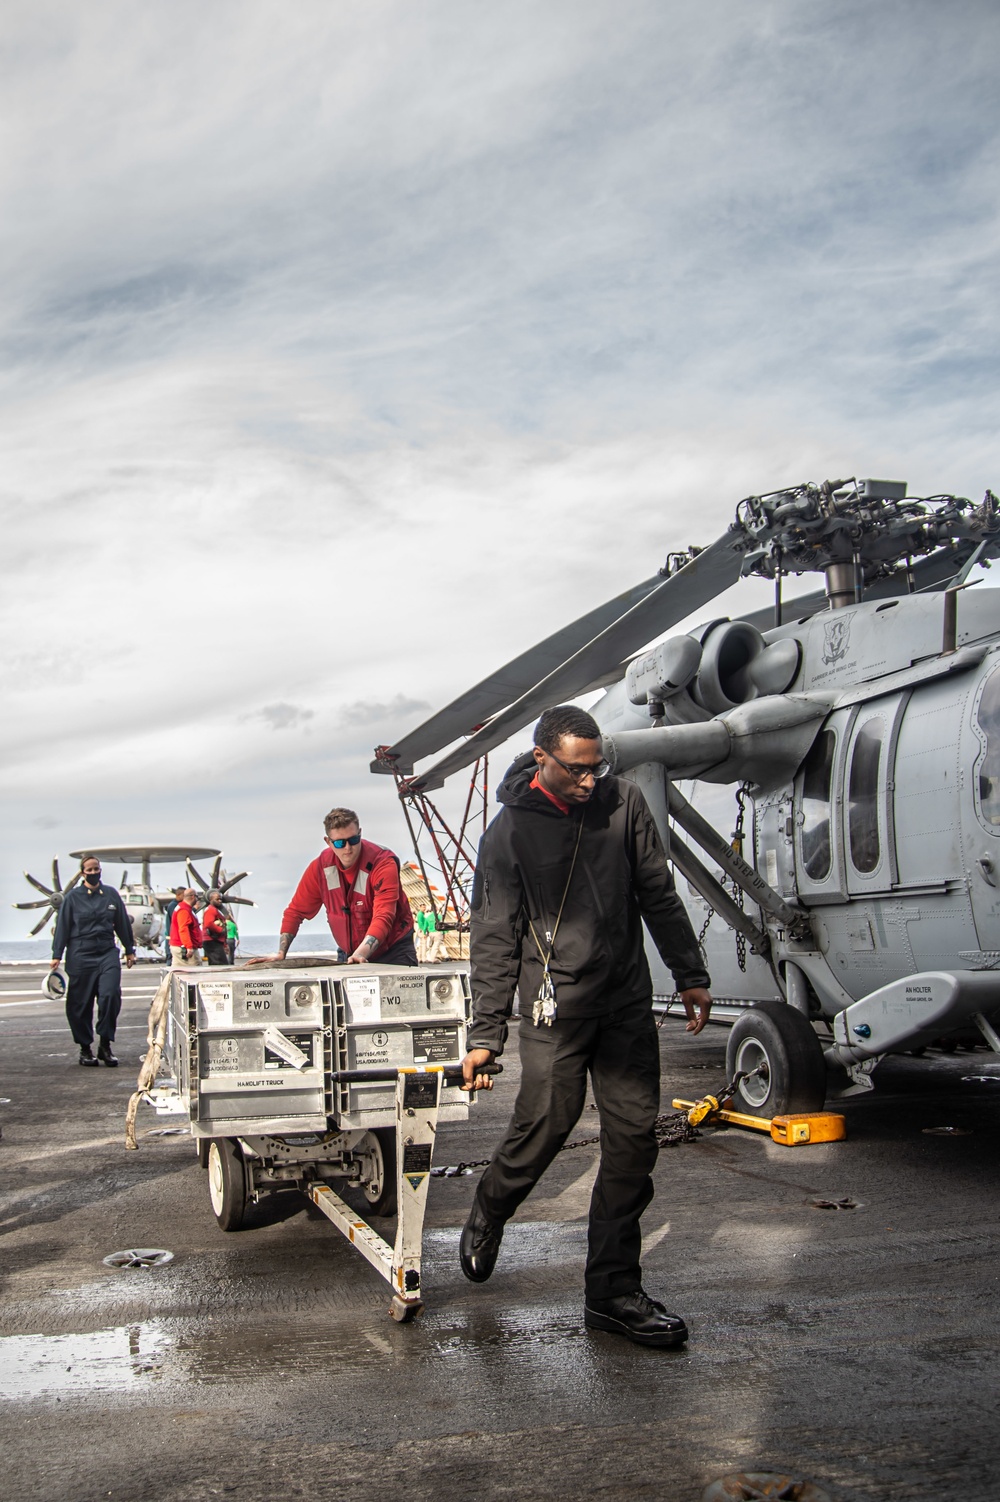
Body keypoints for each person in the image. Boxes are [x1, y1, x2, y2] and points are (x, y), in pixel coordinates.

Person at [459, 705, 713, 1348]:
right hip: (555, 1010)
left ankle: (612, 1292)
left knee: (634, 1146)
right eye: (576, 769)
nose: (589, 780)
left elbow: (657, 891)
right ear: (541, 758)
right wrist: (486, 1034)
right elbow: (493, 937)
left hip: (624, 1001)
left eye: (597, 767)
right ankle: (491, 1207)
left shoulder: (622, 803)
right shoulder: (509, 833)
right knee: (547, 1126)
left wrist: (690, 973)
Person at [254, 808, 416, 966]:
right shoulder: (321, 868)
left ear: (360, 833)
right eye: (340, 843)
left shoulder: (382, 862)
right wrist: (281, 953)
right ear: (328, 842)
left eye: (353, 840)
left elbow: (384, 914)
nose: (348, 848)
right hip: (349, 953)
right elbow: (295, 912)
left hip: (393, 950)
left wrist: (360, 954)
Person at [49, 853, 136, 1067]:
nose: (94, 872)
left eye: (97, 869)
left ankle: (105, 1045)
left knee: (110, 995)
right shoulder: (72, 898)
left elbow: (122, 923)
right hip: (80, 955)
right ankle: (85, 1047)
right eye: (90, 870)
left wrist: (129, 949)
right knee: (80, 1003)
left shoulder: (111, 895)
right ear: (82, 873)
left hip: (107, 953)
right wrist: (56, 954)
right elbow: (63, 927)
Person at [169, 888, 203, 965]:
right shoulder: (184, 910)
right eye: (197, 896)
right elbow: (183, 929)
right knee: (195, 970)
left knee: (177, 972)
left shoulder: (184, 908)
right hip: (183, 947)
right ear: (193, 897)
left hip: (180, 946)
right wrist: (189, 947)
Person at [201, 890, 230, 965]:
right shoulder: (211, 910)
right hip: (212, 941)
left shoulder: (214, 910)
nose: (220, 901)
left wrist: (224, 944)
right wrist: (220, 930)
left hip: (215, 941)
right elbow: (208, 923)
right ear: (210, 899)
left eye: (220, 899)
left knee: (217, 963)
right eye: (217, 899)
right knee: (220, 964)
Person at [161, 885, 185, 964]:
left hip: (175, 938)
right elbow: (180, 920)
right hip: (172, 939)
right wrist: (194, 909)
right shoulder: (174, 906)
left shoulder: (178, 905)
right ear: (178, 895)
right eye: (184, 895)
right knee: (171, 960)